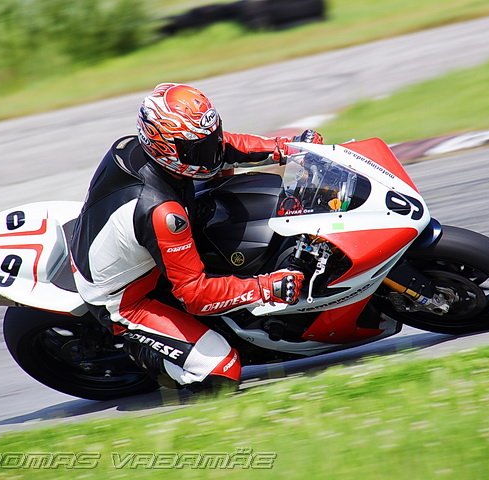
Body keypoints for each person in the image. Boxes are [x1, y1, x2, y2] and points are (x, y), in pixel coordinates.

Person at [70, 83, 323, 392]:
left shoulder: (146, 148)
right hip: (125, 297)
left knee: (225, 184)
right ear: (166, 149)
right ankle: (142, 348)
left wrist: (288, 148)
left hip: (133, 239)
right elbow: (195, 295)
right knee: (221, 372)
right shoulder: (164, 213)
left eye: (210, 139)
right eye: (199, 149)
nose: (211, 153)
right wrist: (266, 287)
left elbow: (223, 147)